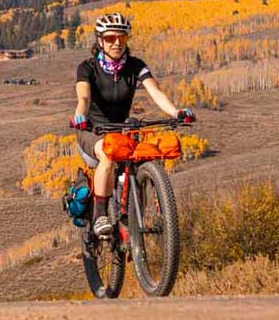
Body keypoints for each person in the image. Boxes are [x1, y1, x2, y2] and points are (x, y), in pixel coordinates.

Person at [71, 12, 194, 240]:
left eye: (122, 38)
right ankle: (99, 216)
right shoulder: (87, 68)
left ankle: (131, 218)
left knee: (142, 159)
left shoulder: (136, 66)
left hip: (120, 130)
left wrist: (176, 112)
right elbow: (84, 99)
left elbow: (155, 92)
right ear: (100, 41)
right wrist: (80, 116)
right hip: (92, 130)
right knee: (107, 155)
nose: (117, 43)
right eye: (110, 38)